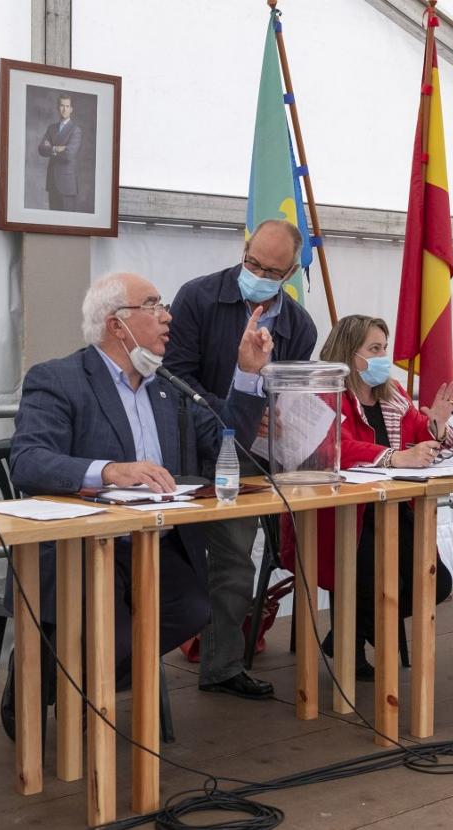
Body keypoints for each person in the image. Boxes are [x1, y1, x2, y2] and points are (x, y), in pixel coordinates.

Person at [0, 272, 271, 733]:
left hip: (152, 546)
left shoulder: (168, 387)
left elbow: (228, 441)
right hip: (82, 549)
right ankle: (40, 681)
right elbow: (28, 460)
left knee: (192, 611)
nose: (168, 316)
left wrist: (247, 373)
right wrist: (108, 470)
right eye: (153, 305)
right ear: (117, 324)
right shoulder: (58, 379)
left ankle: (68, 674)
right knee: (118, 640)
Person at [165, 219, 317, 698]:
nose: (258, 274)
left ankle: (222, 665)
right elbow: (172, 380)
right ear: (243, 249)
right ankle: (138, 665)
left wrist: (276, 413)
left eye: (272, 271)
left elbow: (289, 390)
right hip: (188, 451)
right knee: (177, 563)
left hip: (251, 456)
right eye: (252, 262)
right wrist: (237, 408)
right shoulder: (198, 297)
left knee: (236, 562)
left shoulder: (299, 325)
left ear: (291, 272)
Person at [278, 315, 453, 675]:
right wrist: (395, 456)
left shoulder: (393, 394)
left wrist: (437, 424)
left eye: (384, 348)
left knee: (437, 583)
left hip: (395, 509)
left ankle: (348, 632)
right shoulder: (323, 394)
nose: (383, 357)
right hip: (342, 516)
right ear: (349, 354)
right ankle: (355, 644)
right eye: (374, 349)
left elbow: (419, 431)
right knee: (368, 574)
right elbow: (333, 447)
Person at [37, 92, 83, 211]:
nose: (64, 109)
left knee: (66, 223)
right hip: (52, 181)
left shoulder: (75, 130)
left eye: (67, 106)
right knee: (53, 220)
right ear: (58, 108)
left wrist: (51, 147)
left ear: (71, 109)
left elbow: (69, 155)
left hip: (67, 183)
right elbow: (41, 149)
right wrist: (57, 148)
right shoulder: (51, 128)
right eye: (62, 105)